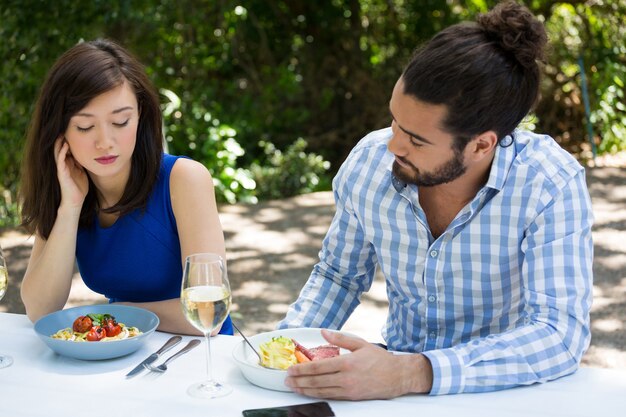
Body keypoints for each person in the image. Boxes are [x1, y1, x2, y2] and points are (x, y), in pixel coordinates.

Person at [278, 1, 593, 399]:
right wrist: (279, 355)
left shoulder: (549, 183)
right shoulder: (368, 161)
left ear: (481, 145)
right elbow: (338, 276)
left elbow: (559, 334)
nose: (392, 145)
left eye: (416, 139)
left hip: (505, 392)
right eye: (395, 121)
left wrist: (410, 374)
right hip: (395, 391)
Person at [20, 38, 233, 336]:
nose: (104, 141)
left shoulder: (184, 179)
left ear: (140, 115)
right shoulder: (66, 191)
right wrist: (69, 207)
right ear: (60, 130)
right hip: (122, 351)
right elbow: (40, 309)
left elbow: (209, 311)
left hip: (195, 356)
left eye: (120, 122)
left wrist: (112, 316)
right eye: (85, 127)